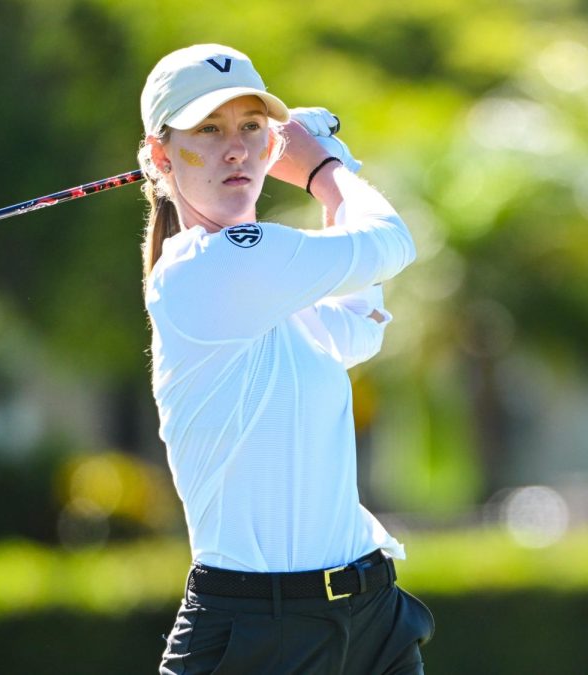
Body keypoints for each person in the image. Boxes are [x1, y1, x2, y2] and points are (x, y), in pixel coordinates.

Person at [139, 44, 434, 674]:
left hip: (369, 616)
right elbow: (392, 243)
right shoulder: (207, 269)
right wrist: (324, 167)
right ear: (162, 156)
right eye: (208, 130)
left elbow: (360, 325)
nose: (235, 149)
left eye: (250, 128)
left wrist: (329, 171)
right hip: (256, 634)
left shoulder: (270, 292)